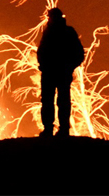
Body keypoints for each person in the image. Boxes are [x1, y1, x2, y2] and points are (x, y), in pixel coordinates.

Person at [36, 7, 85, 137]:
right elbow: (79, 54)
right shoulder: (62, 32)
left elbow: (79, 54)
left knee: (57, 101)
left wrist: (69, 66)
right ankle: (55, 129)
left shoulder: (59, 32)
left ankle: (57, 129)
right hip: (54, 72)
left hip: (57, 72)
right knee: (53, 101)